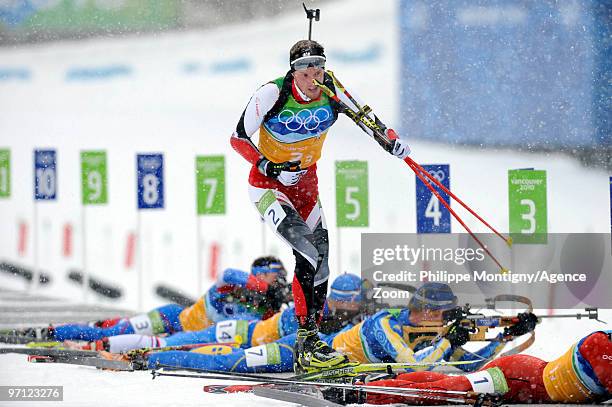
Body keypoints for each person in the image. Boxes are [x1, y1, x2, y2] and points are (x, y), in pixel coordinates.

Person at [230, 38, 411, 373]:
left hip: (307, 187)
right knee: (307, 254)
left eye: (318, 64)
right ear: (293, 70)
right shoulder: (273, 92)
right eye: (303, 66)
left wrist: (391, 140)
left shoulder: (330, 87)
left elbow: (364, 117)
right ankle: (306, 340)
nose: (311, 72)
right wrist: (270, 168)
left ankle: (313, 342)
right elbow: (238, 138)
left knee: (323, 262)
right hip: (270, 187)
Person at [10, 256, 288, 342]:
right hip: (171, 318)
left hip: (187, 338)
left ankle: (109, 323)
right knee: (112, 333)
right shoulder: (233, 286)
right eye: (276, 276)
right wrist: (264, 289)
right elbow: (226, 272)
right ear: (260, 275)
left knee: (119, 335)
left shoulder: (265, 309)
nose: (279, 282)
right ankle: (48, 332)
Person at [97, 273, 365, 354]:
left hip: (241, 334)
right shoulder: (311, 309)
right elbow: (226, 276)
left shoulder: (271, 306)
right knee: (166, 343)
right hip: (185, 320)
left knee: (173, 346)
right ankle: (93, 339)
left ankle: (108, 342)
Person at [326, 330, 612, 405]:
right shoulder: (599, 345)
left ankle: (384, 382)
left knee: (443, 383)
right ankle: (362, 391)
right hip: (515, 378)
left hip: (528, 375)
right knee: (441, 393)